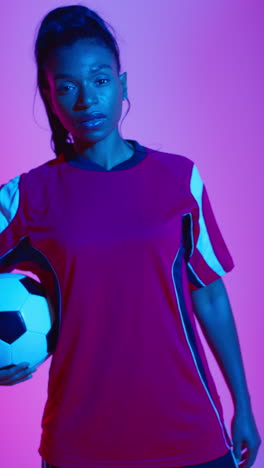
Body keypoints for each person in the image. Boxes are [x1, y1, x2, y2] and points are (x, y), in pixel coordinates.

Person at [0, 4, 261, 468]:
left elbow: (211, 298)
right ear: (49, 96)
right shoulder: (29, 196)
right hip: (80, 440)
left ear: (122, 85)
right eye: (67, 86)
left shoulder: (179, 178)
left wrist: (243, 403)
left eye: (100, 80)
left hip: (190, 432)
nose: (86, 100)